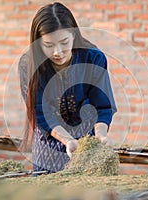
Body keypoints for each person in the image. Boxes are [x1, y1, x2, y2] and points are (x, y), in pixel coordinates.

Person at [18, 2, 116, 173]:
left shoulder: (93, 58)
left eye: (64, 42)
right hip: (48, 140)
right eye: (48, 45)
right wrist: (68, 140)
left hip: (86, 140)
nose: (58, 52)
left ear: (73, 35)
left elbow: (102, 105)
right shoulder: (29, 64)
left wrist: (101, 135)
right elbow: (41, 111)